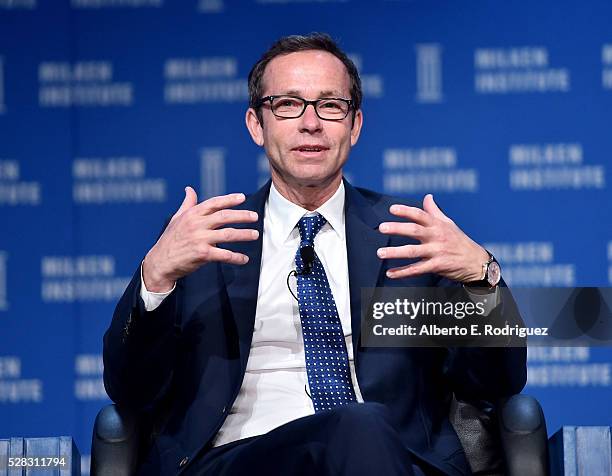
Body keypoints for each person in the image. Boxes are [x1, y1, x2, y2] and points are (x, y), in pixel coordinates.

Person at [103, 33, 526, 476]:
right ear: (256, 124)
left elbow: (498, 382)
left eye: (330, 105)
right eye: (288, 104)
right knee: (357, 427)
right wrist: (154, 280)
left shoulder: (407, 239)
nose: (311, 123)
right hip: (241, 462)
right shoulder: (209, 241)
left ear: (354, 125)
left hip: (387, 457)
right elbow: (129, 390)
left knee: (360, 428)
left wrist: (483, 279)